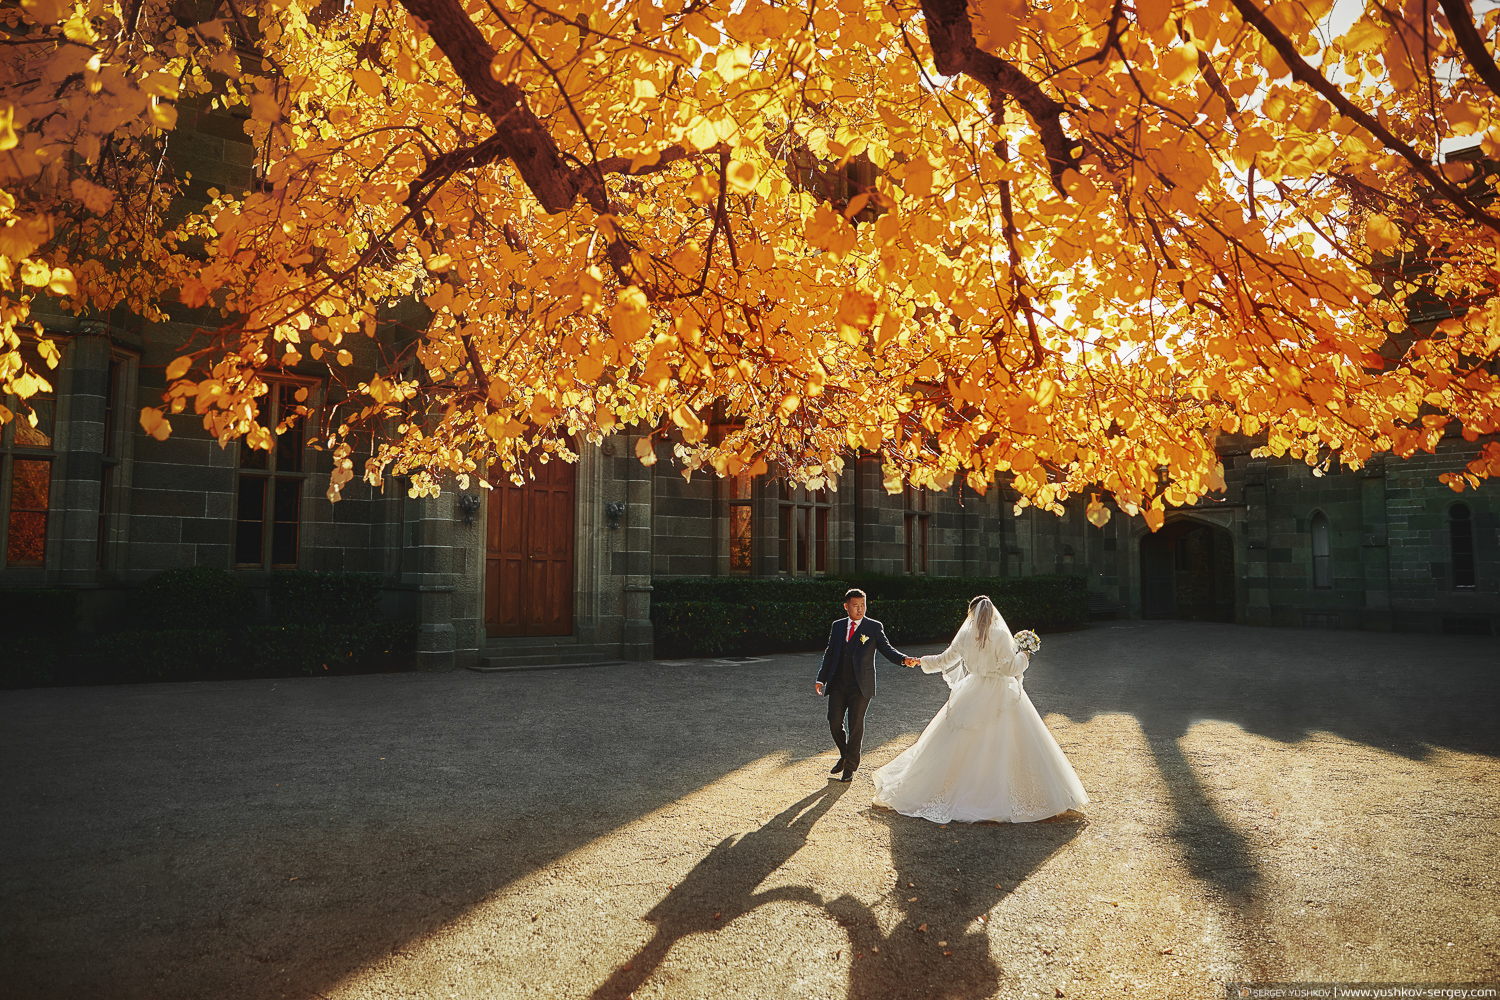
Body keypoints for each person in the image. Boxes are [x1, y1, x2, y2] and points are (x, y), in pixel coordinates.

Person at [872, 595, 1088, 823]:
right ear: (993, 614)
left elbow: (945, 659)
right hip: (1000, 691)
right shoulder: (1001, 635)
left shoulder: (965, 635)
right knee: (1008, 741)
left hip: (973, 690)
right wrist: (1025, 655)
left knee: (960, 741)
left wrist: (921, 661)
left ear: (971, 615)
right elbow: (1009, 668)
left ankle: (959, 788)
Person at [815, 588, 911, 783]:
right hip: (838, 683)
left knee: (856, 726)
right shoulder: (838, 626)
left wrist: (903, 660)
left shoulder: (873, 627)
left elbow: (887, 649)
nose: (860, 610)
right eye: (855, 606)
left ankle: (850, 768)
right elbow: (830, 653)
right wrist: (821, 678)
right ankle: (845, 754)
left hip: (861, 685)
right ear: (846, 606)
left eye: (863, 605)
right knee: (833, 720)